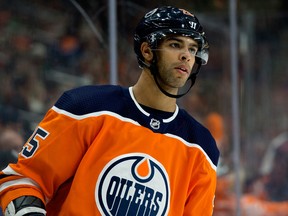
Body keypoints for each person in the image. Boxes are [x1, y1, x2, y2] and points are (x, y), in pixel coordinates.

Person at [0, 6, 219, 215]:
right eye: (175, 44)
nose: (186, 56)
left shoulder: (201, 146)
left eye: (192, 48)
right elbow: (23, 179)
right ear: (147, 50)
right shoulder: (86, 107)